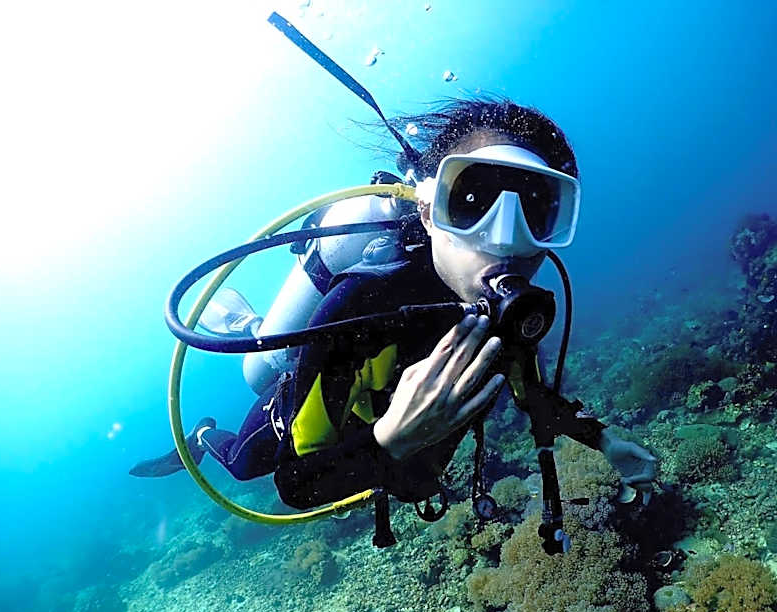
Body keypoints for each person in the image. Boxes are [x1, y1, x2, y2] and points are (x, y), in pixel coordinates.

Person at [131, 98, 657, 545]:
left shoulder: (507, 315)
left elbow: (532, 393)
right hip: (312, 409)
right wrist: (388, 441)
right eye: (472, 202)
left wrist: (604, 440)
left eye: (537, 212)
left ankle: (253, 328)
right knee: (247, 464)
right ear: (428, 211)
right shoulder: (360, 305)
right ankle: (206, 431)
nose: (505, 238)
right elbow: (296, 484)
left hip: (387, 448)